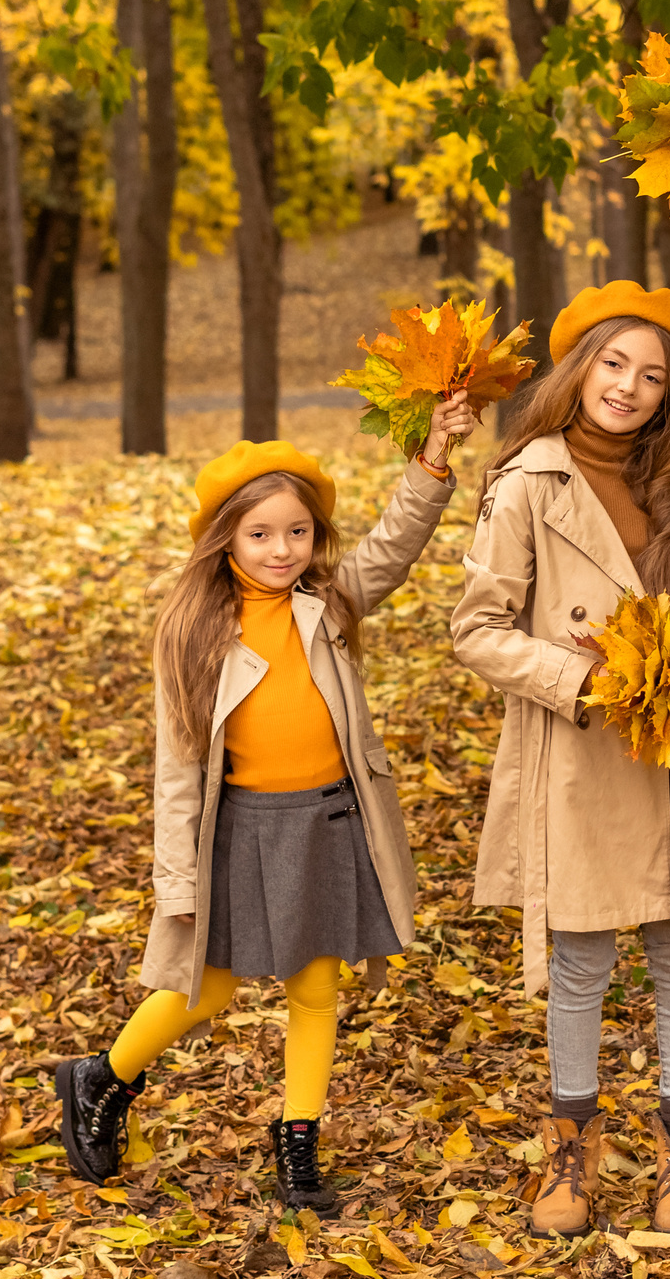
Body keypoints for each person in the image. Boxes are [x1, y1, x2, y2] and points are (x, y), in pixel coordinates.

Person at [53, 409, 474, 1210]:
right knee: (205, 989)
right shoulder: (194, 632)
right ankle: (102, 1077)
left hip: (324, 824)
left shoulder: (330, 602)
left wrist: (433, 463)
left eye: (298, 533)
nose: (282, 550)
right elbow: (177, 771)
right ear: (225, 540)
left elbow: (391, 545)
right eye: (260, 535)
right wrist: (175, 880)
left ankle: (298, 1150)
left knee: (316, 989)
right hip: (240, 830)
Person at [451, 282, 670, 1237]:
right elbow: (476, 629)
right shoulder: (527, 483)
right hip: (583, 753)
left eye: (652, 374)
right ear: (579, 370)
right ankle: (570, 1153)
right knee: (581, 961)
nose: (628, 386)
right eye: (613, 363)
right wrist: (585, 685)